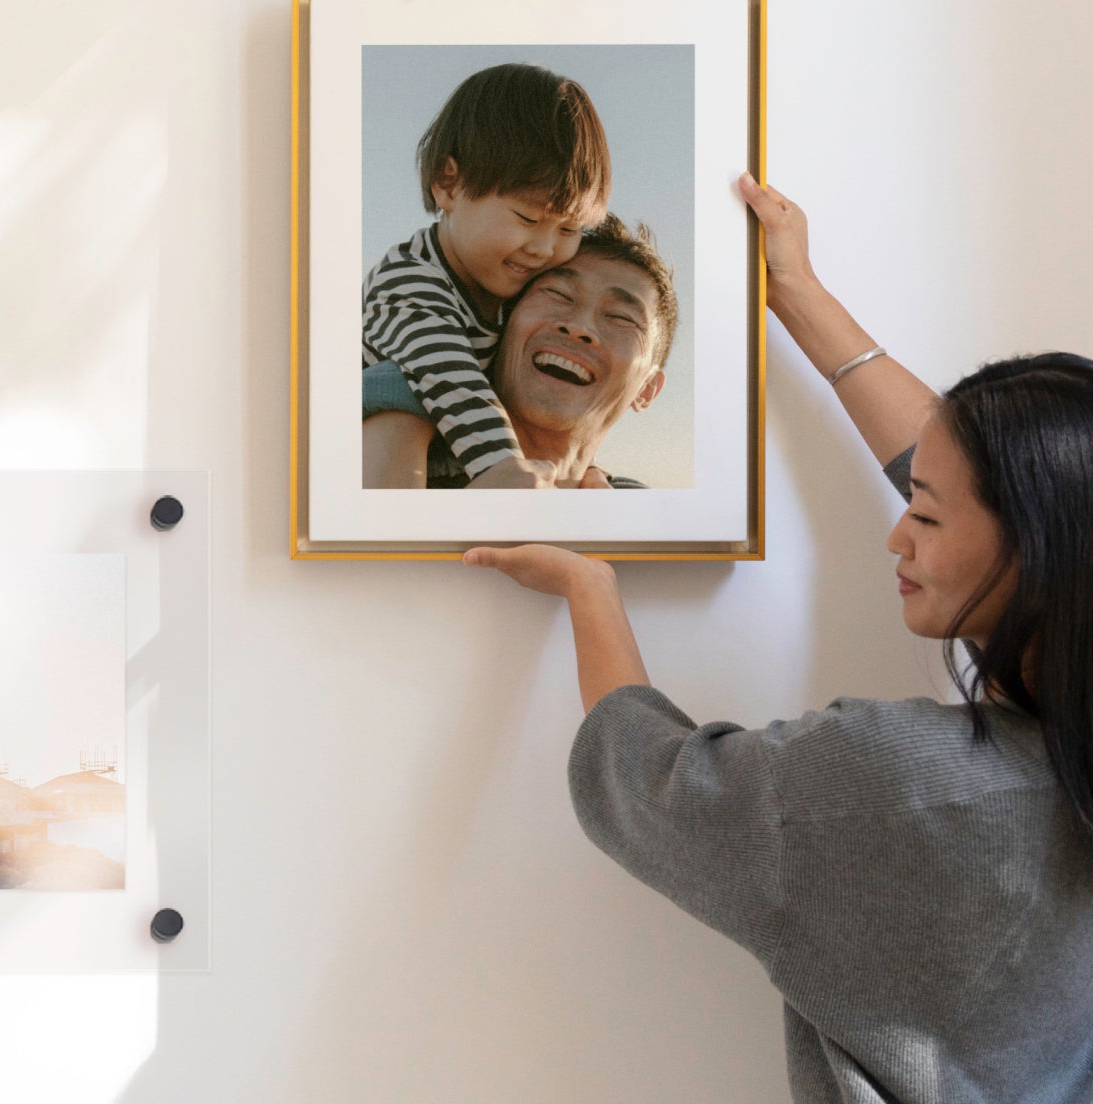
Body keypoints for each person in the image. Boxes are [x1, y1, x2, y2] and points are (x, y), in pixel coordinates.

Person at [463, 174, 1093, 1102]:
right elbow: (994, 475)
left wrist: (589, 589)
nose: (896, 531)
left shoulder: (898, 788)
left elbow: (656, 789)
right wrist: (798, 292)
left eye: (922, 513)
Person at [362, 63, 610, 487]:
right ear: (449, 184)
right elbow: (451, 380)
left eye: (569, 229)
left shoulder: (514, 284)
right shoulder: (407, 284)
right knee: (396, 384)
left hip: (447, 463)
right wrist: (503, 468)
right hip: (364, 458)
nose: (545, 248)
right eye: (526, 217)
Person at [363, 215, 677, 489]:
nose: (579, 326)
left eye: (621, 318)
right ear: (501, 327)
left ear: (647, 390)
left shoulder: (647, 522)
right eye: (558, 293)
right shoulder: (380, 454)